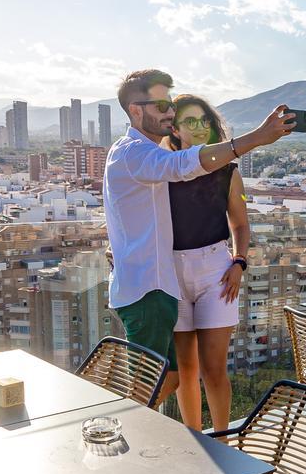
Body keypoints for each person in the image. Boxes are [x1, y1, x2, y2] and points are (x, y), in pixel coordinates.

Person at [104, 69, 293, 407]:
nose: (169, 113)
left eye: (169, 105)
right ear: (135, 110)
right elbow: (183, 164)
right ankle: (116, 434)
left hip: (157, 287)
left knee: (169, 377)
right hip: (147, 290)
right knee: (147, 386)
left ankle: (126, 430)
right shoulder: (134, 153)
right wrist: (255, 138)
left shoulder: (136, 152)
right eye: (161, 105)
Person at [164, 95, 247, 430]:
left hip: (216, 272)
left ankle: (224, 442)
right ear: (175, 128)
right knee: (185, 370)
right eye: (190, 121)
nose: (198, 128)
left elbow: (240, 223)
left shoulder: (228, 172)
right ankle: (194, 444)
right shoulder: (161, 170)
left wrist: (239, 262)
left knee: (213, 368)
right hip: (170, 274)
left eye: (204, 121)